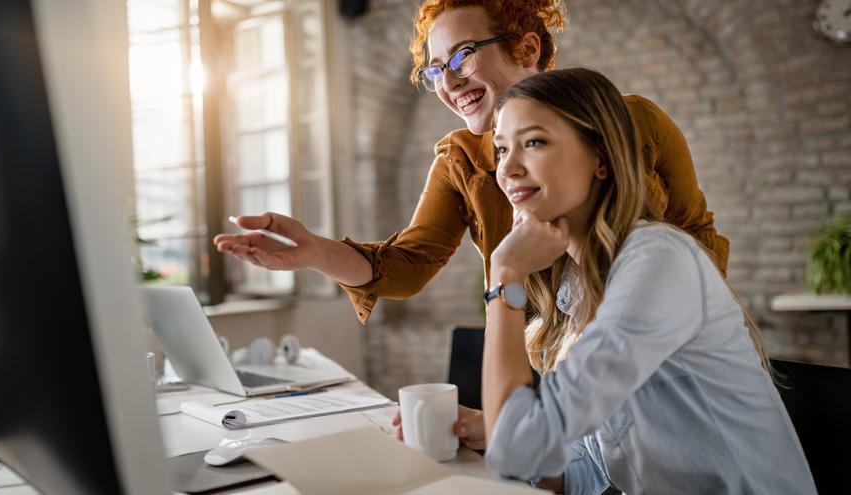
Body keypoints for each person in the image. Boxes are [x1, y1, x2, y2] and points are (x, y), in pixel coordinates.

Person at [213, 0, 728, 450]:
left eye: (463, 55)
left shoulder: (629, 126)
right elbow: (407, 265)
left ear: (527, 49)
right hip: (554, 375)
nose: (450, 82)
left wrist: (670, 327)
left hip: (659, 363)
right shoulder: (461, 160)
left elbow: (696, 238)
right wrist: (313, 252)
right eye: (436, 69)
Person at [481, 67, 815, 494]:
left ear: (600, 158)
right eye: (502, 149)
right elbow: (594, 470)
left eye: (534, 142)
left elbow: (515, 451)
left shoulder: (658, 262)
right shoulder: (579, 286)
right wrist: (500, 432)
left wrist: (505, 274)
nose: (506, 170)